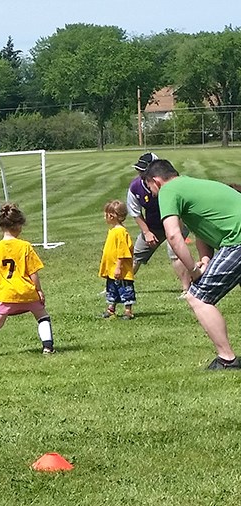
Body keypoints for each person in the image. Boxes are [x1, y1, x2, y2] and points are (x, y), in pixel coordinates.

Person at [142, 159, 241, 370]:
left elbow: (173, 236)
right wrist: (206, 259)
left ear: (156, 181)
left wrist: (194, 272)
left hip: (237, 240)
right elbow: (203, 226)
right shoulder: (192, 185)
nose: (152, 193)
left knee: (198, 296)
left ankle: (227, 359)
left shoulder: (169, 191)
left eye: (149, 187)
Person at [0, 203, 54, 358]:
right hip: (26, 291)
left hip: (6, 293)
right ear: (17, 225)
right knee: (42, 316)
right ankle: (48, 347)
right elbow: (33, 272)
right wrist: (39, 290)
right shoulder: (25, 246)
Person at [126, 153, 191, 297]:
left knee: (175, 252)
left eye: (144, 170)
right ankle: (120, 285)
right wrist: (147, 232)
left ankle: (187, 290)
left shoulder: (170, 184)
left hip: (176, 222)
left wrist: (177, 232)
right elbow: (135, 212)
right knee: (136, 255)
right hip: (153, 226)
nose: (141, 174)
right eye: (139, 170)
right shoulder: (135, 187)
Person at [99, 200, 136, 320]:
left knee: (125, 289)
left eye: (106, 214)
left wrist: (119, 267)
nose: (105, 217)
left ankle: (128, 311)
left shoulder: (120, 231)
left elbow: (122, 251)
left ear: (112, 215)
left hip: (120, 270)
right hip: (111, 269)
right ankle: (111, 309)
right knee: (112, 290)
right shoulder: (113, 230)